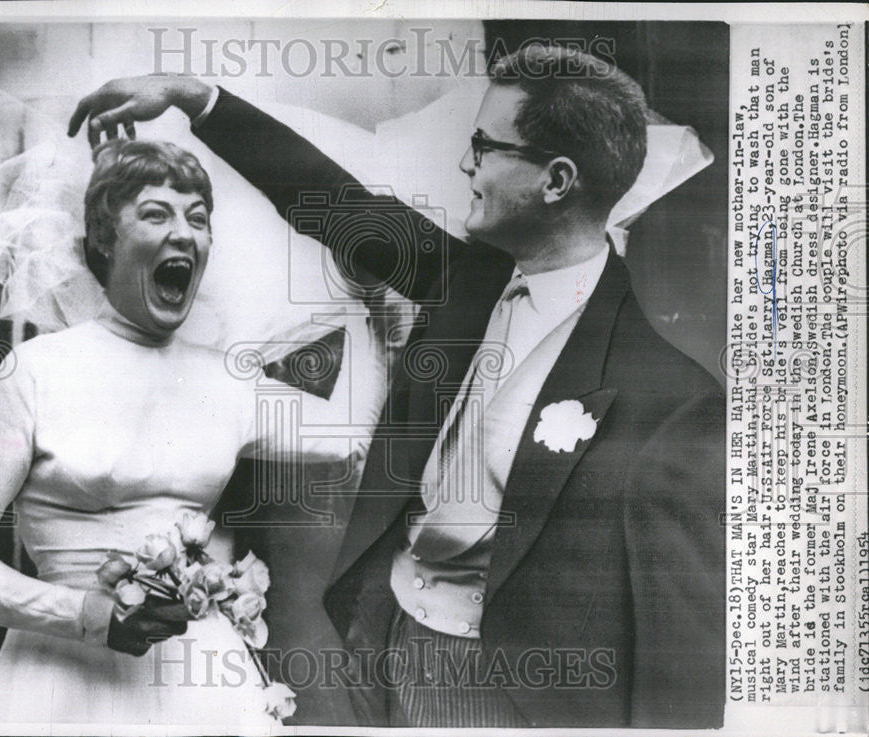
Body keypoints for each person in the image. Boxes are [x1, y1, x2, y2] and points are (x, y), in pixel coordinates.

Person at [69, 43, 725, 729]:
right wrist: (198, 98)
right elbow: (331, 202)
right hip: (381, 648)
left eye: (485, 147)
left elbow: (680, 673)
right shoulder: (468, 279)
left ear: (556, 181)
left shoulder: (674, 404)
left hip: (511, 698)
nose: (466, 166)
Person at [0, 138, 368, 725]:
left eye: (198, 218)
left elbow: (356, 442)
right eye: (156, 214)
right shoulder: (35, 371)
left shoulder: (229, 381)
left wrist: (377, 301)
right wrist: (84, 613)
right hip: (62, 681)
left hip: (203, 683)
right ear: (104, 240)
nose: (184, 232)